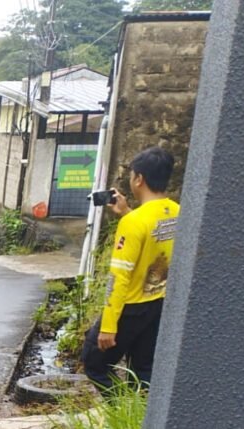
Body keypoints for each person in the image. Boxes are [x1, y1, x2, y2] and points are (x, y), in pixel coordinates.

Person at [81, 147, 178, 391]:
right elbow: (154, 236)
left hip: (130, 308)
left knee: (94, 363)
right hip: (157, 303)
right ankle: (140, 418)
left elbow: (119, 276)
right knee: (143, 370)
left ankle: (120, 411)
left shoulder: (133, 223)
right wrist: (126, 211)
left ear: (139, 179)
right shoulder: (176, 212)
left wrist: (108, 326)